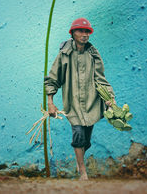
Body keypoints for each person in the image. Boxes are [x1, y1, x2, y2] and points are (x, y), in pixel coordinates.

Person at [44, 18, 116, 180]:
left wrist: (109, 98)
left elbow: (100, 79)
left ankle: (80, 159)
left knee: (86, 141)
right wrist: (51, 103)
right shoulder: (64, 55)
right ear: (73, 33)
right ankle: (82, 171)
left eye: (87, 32)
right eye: (80, 31)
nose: (84, 35)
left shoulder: (93, 54)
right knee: (78, 135)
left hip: (91, 103)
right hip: (73, 104)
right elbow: (53, 78)